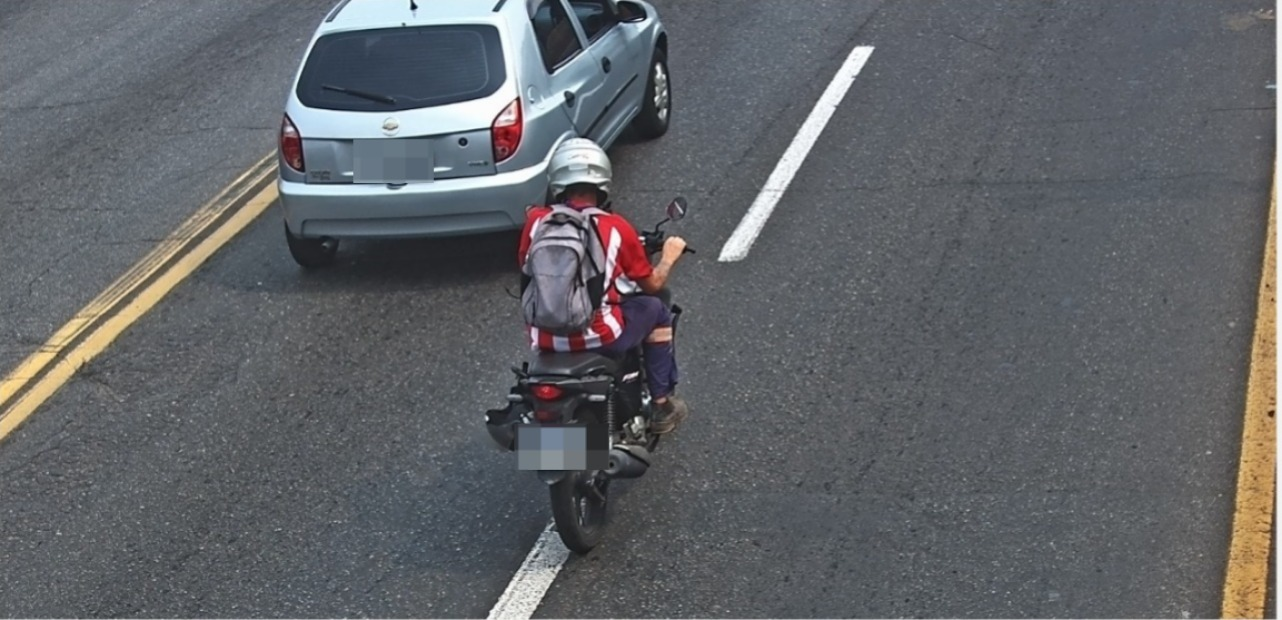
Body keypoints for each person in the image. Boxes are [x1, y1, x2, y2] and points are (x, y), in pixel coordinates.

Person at [517, 138, 690, 434]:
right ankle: (662, 403)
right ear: (602, 183)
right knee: (655, 307)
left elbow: (525, 266)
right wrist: (670, 256)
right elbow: (651, 284)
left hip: (543, 337)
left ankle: (555, 447)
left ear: (558, 181)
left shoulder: (536, 223)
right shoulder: (616, 227)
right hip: (600, 335)